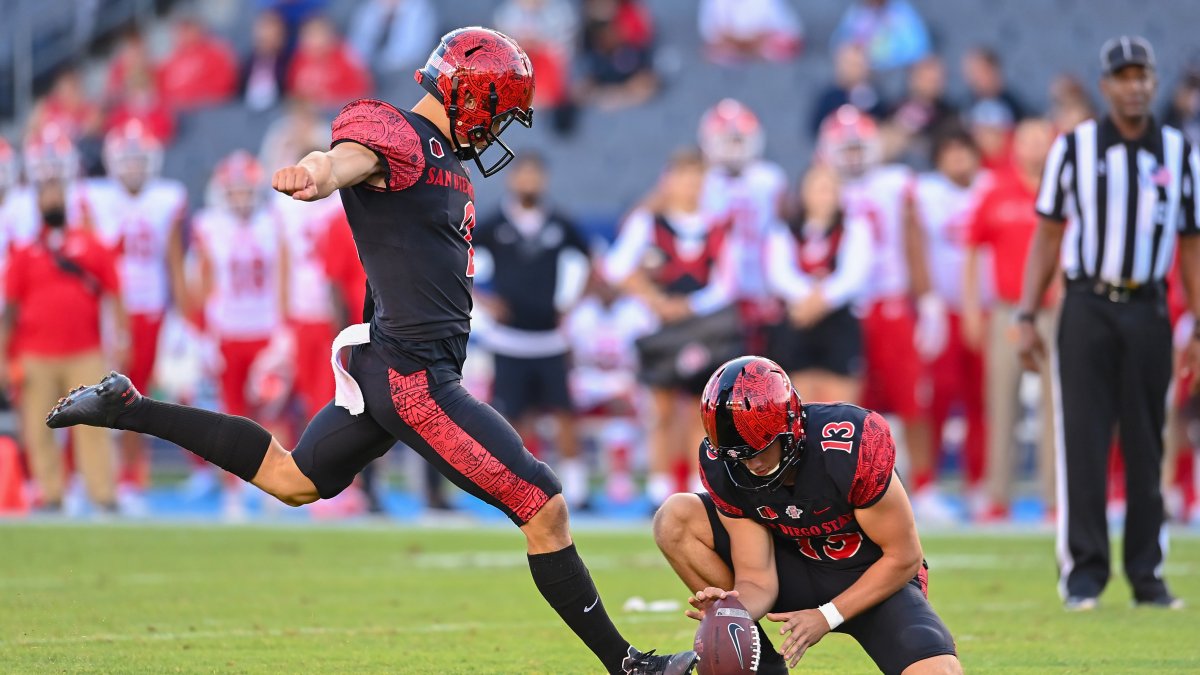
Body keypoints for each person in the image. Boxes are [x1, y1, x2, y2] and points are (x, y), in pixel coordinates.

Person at [46, 27, 696, 675]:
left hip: (393, 361)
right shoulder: (402, 135)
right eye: (497, 109)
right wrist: (318, 170)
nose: (498, 128)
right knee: (544, 505)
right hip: (415, 377)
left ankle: (130, 408)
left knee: (293, 480)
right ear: (470, 95)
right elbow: (352, 156)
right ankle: (628, 665)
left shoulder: (444, 156)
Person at [1018, 35, 1200, 610]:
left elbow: (1192, 245)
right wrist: (1026, 312)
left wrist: (1197, 321)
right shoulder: (1073, 149)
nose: (1134, 85)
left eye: (1142, 75)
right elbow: (1046, 233)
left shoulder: (1177, 152)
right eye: (1123, 76)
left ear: (1152, 81)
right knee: (1084, 440)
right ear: (1105, 86)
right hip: (1087, 305)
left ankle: (1147, 574)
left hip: (1148, 306)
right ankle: (1084, 574)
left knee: (1149, 442)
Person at [653, 355, 960, 674]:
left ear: (790, 426)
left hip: (867, 575)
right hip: (791, 567)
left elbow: (904, 556)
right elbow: (757, 578)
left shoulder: (850, 443)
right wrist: (732, 613)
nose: (751, 464)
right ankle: (761, 665)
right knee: (675, 517)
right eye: (739, 456)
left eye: (759, 450)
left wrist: (827, 616)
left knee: (937, 671)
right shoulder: (725, 466)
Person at [605, 148, 735, 510]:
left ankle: (699, 487)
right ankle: (660, 490)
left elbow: (727, 283)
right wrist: (652, 298)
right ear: (669, 181)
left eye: (697, 178)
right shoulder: (648, 223)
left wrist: (688, 306)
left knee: (703, 411)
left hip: (704, 329)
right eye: (684, 177)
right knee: (660, 410)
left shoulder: (717, 227)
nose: (690, 186)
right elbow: (616, 267)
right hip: (660, 331)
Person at [6, 143, 127, 514]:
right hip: (36, 353)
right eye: (47, 194)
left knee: (93, 427)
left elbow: (114, 295)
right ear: (38, 203)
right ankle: (52, 493)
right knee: (39, 428)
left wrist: (122, 340)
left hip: (84, 351)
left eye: (58, 192)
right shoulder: (25, 253)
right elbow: (9, 310)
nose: (52, 200)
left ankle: (102, 494)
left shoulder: (90, 245)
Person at [472, 152, 592, 510]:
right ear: (511, 180)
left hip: (550, 339)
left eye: (535, 176)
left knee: (563, 412)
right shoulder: (494, 223)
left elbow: (591, 261)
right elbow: (459, 258)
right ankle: (522, 484)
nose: (529, 182)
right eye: (523, 175)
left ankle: (577, 489)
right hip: (509, 340)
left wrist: (573, 304)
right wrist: (484, 299)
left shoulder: (560, 222)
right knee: (514, 416)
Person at [86, 120, 188, 514]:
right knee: (92, 393)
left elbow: (174, 262)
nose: (132, 167)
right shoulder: (94, 198)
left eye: (138, 159)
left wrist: (182, 318)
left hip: (149, 309)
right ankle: (90, 475)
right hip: (107, 309)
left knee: (135, 396)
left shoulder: (165, 198)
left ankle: (132, 476)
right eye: (125, 160)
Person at [962, 119, 1058, 522]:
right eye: (1028, 139)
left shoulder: (1063, 192)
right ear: (1013, 145)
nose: (1035, 147)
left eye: (1042, 140)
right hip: (1007, 309)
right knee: (1001, 403)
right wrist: (971, 308)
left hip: (1054, 310)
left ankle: (1055, 500)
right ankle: (997, 495)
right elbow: (972, 250)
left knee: (1057, 408)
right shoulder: (996, 191)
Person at [907, 128, 990, 518]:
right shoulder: (926, 192)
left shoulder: (991, 187)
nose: (958, 160)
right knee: (937, 397)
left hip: (988, 307)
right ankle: (931, 483)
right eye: (950, 152)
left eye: (964, 151)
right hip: (944, 309)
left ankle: (980, 483)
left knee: (983, 400)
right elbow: (915, 244)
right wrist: (927, 301)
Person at [764, 163, 872, 404]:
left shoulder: (855, 229)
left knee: (840, 410)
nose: (824, 195)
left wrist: (820, 301)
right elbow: (779, 275)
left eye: (830, 188)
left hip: (838, 321)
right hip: (797, 320)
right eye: (817, 188)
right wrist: (807, 298)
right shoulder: (784, 231)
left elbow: (853, 276)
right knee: (799, 408)